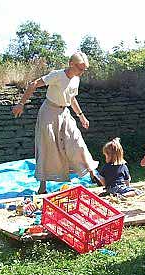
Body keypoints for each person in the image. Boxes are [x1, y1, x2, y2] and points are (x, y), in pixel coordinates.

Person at [11, 52, 99, 194]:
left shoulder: (76, 79)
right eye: (80, 68)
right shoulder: (57, 75)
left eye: (84, 69)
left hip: (65, 113)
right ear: (71, 64)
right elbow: (33, 84)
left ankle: (93, 174)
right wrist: (21, 104)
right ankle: (42, 187)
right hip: (49, 112)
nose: (82, 72)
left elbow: (72, 99)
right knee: (47, 146)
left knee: (77, 140)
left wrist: (81, 116)